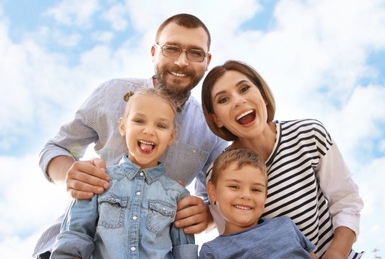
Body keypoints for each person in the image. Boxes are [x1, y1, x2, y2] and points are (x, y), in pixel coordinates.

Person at [33, 13, 228, 258]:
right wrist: (70, 174)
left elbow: (217, 199)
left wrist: (208, 216)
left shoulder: (210, 130)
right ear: (153, 52)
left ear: (207, 60)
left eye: (195, 53)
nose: (181, 61)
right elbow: (56, 149)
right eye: (171, 49)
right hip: (72, 246)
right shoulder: (112, 92)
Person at [201, 60, 364, 258]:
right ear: (216, 118)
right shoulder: (218, 172)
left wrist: (336, 254)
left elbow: (347, 201)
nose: (238, 101)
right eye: (223, 99)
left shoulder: (309, 135)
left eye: (244, 89)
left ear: (263, 95)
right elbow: (234, 240)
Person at [50, 88, 198, 258]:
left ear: (171, 136)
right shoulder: (98, 180)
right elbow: (75, 237)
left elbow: (184, 252)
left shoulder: (177, 195)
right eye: (139, 121)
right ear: (122, 126)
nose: (149, 131)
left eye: (161, 125)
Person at [198, 148, 317, 259]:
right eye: (234, 186)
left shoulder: (285, 225)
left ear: (265, 196)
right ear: (212, 191)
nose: (246, 195)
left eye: (256, 190)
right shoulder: (212, 251)